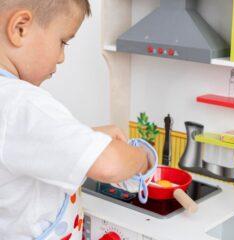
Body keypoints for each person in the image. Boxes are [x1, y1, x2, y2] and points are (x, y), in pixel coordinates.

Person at [0, 1, 149, 239]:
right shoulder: (23, 102)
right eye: (62, 42)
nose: (61, 58)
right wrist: (143, 158)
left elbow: (16, 147)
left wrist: (87, 135)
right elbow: (110, 165)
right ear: (20, 28)